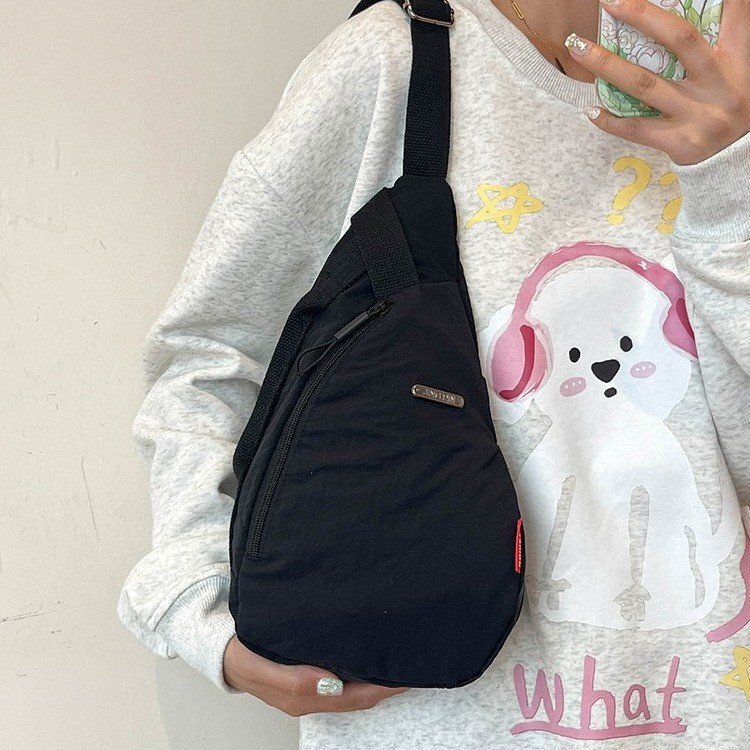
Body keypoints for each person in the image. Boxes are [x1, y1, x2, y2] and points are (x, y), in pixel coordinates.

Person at [118, 0, 750, 746]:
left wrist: (728, 183)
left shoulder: (733, 94)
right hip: (436, 721)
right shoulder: (394, 64)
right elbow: (213, 350)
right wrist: (195, 603)